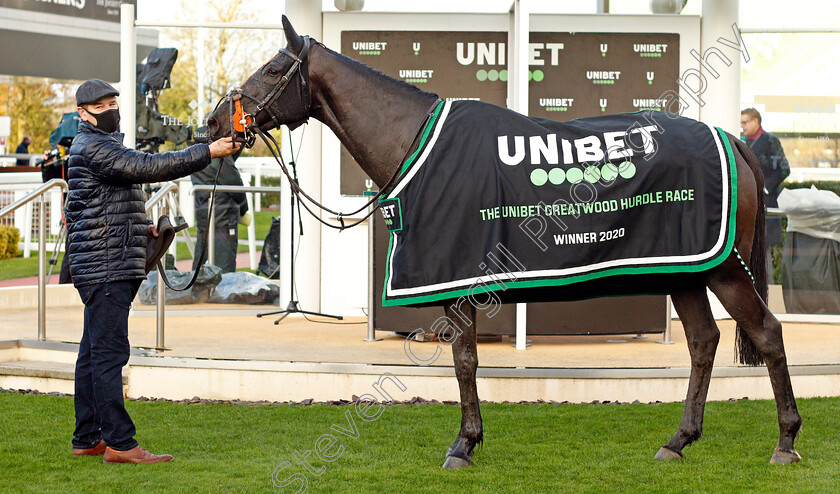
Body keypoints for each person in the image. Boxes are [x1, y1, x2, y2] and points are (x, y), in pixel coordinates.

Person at [65, 79, 239, 463]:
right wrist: (207, 151)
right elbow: (148, 167)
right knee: (109, 355)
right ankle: (120, 445)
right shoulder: (94, 146)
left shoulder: (99, 145)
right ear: (82, 113)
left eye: (113, 101)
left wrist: (139, 228)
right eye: (102, 105)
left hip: (104, 262)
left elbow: (104, 203)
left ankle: (87, 438)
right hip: (105, 266)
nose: (111, 109)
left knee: (93, 354)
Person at [190, 127, 250, 273]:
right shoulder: (218, 157)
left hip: (205, 212)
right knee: (225, 266)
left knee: (200, 261)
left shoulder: (195, 152)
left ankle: (197, 292)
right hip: (223, 215)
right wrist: (244, 209)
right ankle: (222, 295)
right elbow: (235, 184)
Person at [740, 108, 790, 274]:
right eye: (740, 122)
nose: (742, 126)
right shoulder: (740, 141)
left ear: (756, 121)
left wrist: (765, 188)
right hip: (746, 203)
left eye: (744, 122)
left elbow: (784, 169)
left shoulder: (770, 141)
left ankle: (765, 293)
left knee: (764, 251)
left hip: (766, 204)